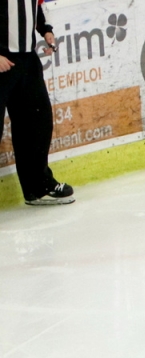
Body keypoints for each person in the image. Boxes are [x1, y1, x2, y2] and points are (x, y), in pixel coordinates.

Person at [0, 0, 74, 205]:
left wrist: (45, 29)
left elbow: (34, 5)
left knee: (37, 122)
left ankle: (38, 187)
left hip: (26, 60)